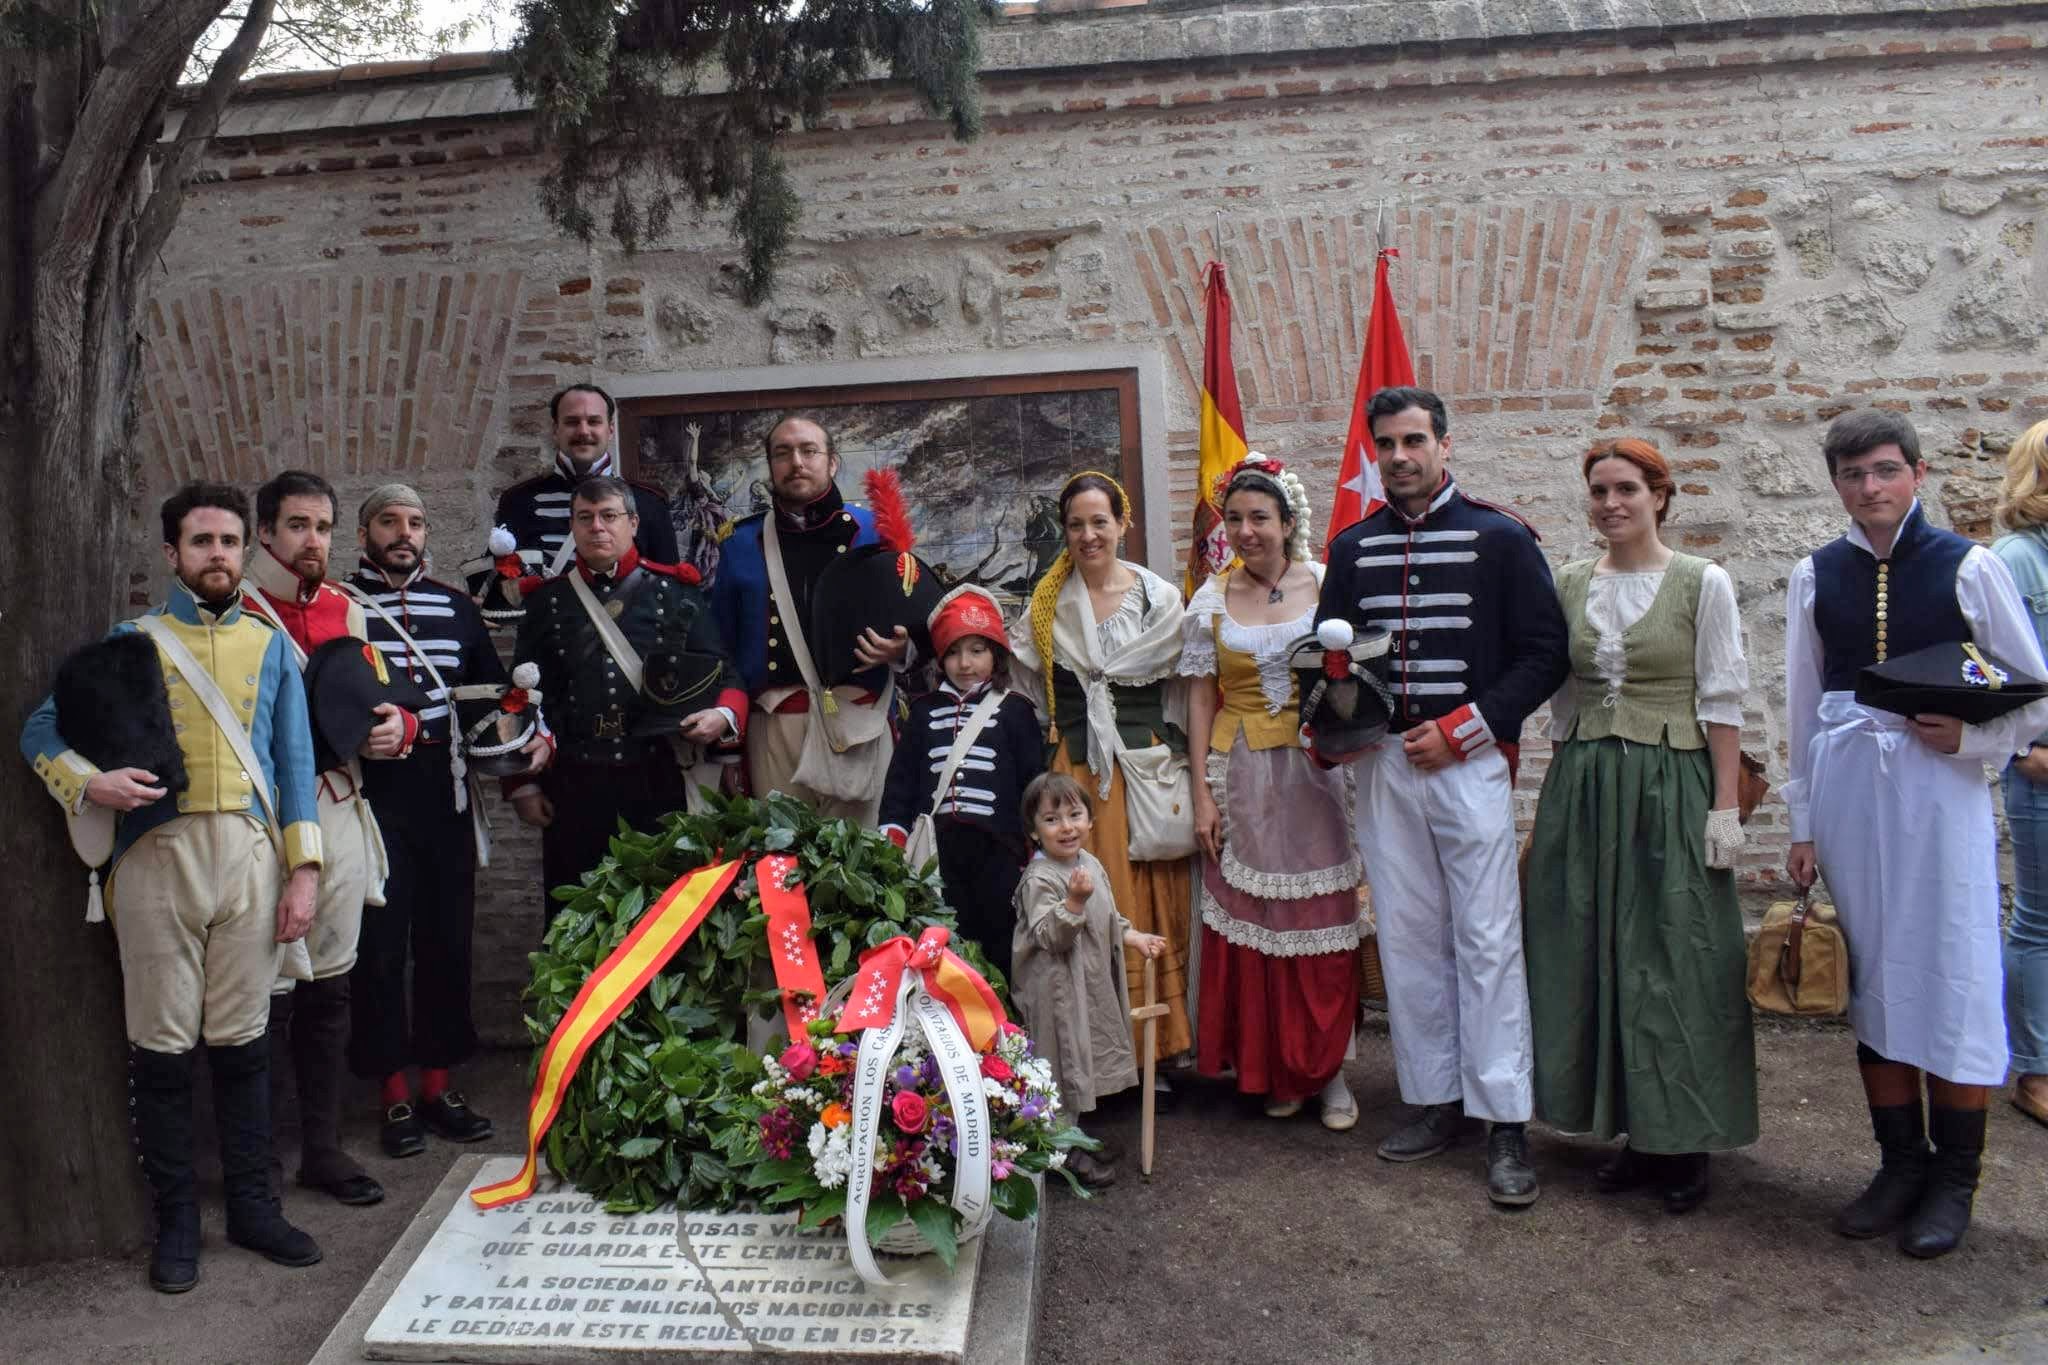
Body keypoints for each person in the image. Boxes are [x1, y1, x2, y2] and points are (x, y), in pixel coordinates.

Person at [21, 482, 324, 1292]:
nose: (218, 554)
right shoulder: (132, 640)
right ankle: (177, 1224)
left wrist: (303, 872)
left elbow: (296, 767)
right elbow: (40, 730)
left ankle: (255, 1210)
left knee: (245, 1041)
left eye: (229, 541)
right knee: (161, 1046)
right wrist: (92, 782)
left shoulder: (268, 646)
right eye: (202, 542)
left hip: (252, 862)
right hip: (155, 859)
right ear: (172, 554)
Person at [1786, 409, 2048, 1258]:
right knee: (1877, 978)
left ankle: (1953, 1181)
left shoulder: (1968, 566)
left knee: (1957, 976)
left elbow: (2032, 690)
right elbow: (1801, 708)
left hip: (1942, 792)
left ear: (1918, 473)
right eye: (1855, 474)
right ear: (1837, 484)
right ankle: (1900, 1164)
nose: (1872, 488)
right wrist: (1803, 823)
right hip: (1852, 793)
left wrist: (1973, 740)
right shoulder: (1815, 574)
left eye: (1887, 470)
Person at [1317, 386, 1569, 1208]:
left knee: (1488, 937)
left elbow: (1545, 653)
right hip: (1384, 765)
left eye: (1414, 440)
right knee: (1410, 936)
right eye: (1386, 443)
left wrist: (1466, 726)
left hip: (1467, 763)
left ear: (1445, 445)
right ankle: (1434, 1098)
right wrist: (1334, 724)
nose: (1400, 456)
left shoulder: (1501, 537)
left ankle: (1505, 1120)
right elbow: (1330, 663)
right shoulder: (1353, 549)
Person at [1521, 439, 1757, 1214]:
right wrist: (1545, 806)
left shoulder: (1702, 582)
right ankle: (1628, 1127)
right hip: (1587, 785)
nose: (1611, 503)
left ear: (1660, 496)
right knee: (1595, 952)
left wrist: (1723, 811)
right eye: (1598, 490)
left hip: (1671, 785)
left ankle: (1680, 1138)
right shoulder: (1569, 583)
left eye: (1627, 489)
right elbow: (1560, 705)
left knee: (1674, 958)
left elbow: (1722, 702)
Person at [348, 484, 545, 1158]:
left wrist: (521, 754)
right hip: (372, 792)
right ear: (363, 533)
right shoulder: (344, 608)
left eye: (415, 522)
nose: (404, 533)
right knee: (378, 945)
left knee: (447, 937)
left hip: (447, 787)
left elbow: (490, 698)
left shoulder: (459, 607)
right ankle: (392, 1092)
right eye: (388, 522)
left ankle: (438, 1082)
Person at [1182, 455, 1364, 1129]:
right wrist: (1202, 789)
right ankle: (1275, 1067)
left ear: (1289, 522)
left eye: (1259, 517)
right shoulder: (1211, 596)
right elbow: (1201, 697)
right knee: (1258, 925)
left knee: (1322, 919)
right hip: (1243, 772)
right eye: (1233, 519)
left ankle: (1329, 1068)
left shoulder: (1326, 583)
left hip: (1317, 768)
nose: (1245, 530)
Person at [242, 470, 407, 1208]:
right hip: (261, 815)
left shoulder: (348, 609)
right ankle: (259, 1158)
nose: (314, 541)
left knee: (329, 987)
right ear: (266, 534)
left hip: (338, 805)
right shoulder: (236, 609)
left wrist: (397, 726)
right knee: (261, 990)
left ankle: (322, 1147)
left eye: (324, 527)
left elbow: (373, 703)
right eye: (298, 525)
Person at [1010, 470, 1196, 1069]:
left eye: (1100, 521)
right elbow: (1031, 691)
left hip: (1142, 770)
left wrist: (1172, 760)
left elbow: (1178, 692)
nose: (1089, 535)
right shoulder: (1046, 606)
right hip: (1079, 774)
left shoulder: (1158, 600)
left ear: (1122, 523)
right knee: (1086, 895)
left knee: (1148, 895)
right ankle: (1103, 1051)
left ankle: (1159, 1050)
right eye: (1075, 524)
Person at [514, 475, 746, 919]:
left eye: (609, 516)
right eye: (585, 518)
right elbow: (522, 694)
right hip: (574, 783)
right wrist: (522, 781)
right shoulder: (547, 602)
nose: (597, 527)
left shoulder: (676, 591)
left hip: (656, 775)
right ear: (573, 527)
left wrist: (722, 717)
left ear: (633, 523)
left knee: (663, 916)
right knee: (574, 915)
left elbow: (724, 672)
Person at [708, 413, 914, 826]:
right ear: (770, 467)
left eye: (809, 451)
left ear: (832, 462)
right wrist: (729, 749)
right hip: (774, 724)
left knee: (866, 868)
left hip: (857, 722)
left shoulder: (875, 532)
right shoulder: (741, 543)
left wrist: (902, 649)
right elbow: (722, 648)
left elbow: (920, 621)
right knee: (783, 869)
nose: (796, 462)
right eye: (782, 453)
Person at [1010, 771, 1168, 1190]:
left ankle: (1071, 1135)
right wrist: (1073, 901)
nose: (1066, 827)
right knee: (1061, 1063)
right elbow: (1050, 934)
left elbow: (1106, 915)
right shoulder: (1040, 879)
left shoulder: (1089, 863)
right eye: (1052, 819)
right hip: (1057, 991)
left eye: (1075, 815)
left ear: (1089, 820)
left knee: (1082, 1055)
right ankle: (1059, 1153)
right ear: (1033, 830)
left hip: (1086, 983)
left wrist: (1132, 936)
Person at [878, 585, 1044, 979]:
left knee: (1001, 951)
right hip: (938, 857)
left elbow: (1033, 785)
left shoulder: (1017, 712)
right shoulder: (922, 712)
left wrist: (1035, 851)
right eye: (952, 652)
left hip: (999, 855)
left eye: (976, 650)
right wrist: (893, 839)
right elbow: (900, 786)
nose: (964, 663)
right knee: (945, 952)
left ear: (996, 654)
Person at [482, 383, 678, 599]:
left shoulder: (649, 502)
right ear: (556, 430)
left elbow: (669, 591)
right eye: (572, 422)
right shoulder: (519, 500)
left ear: (610, 430)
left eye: (594, 421)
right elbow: (501, 589)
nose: (583, 431)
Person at [1993, 417, 2048, 1131]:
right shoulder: (2014, 559)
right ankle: (2037, 1070)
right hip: (2044, 767)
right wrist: (2021, 748)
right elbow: (1981, 662)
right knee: (2040, 918)